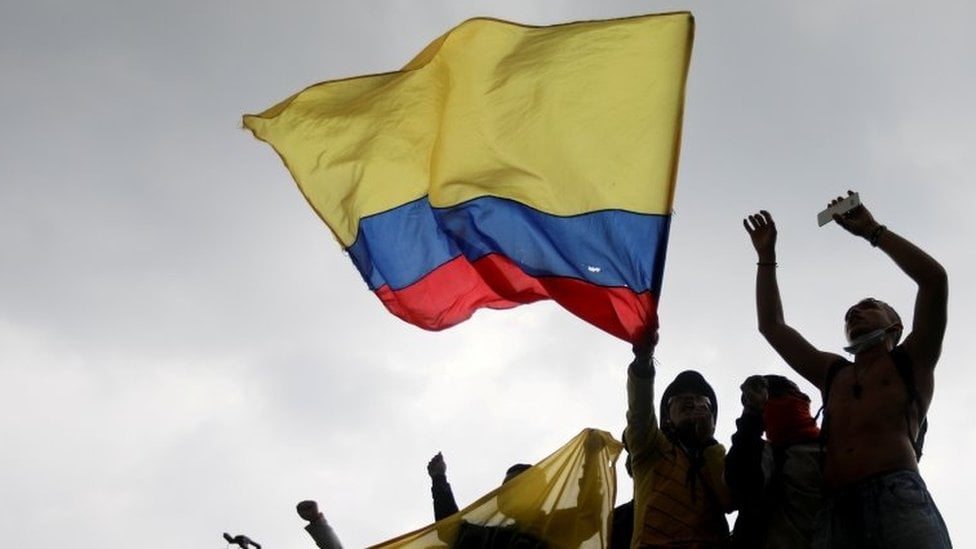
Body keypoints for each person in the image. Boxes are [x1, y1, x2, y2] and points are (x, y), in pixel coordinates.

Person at [743, 192, 951, 548]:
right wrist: (766, 259)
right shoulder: (834, 373)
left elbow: (934, 280)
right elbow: (772, 326)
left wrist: (873, 231)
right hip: (836, 511)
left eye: (869, 307)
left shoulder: (912, 360)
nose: (855, 313)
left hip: (898, 497)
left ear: (895, 325)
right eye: (849, 313)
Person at [625, 332, 734, 548]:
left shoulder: (715, 458)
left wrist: (708, 442)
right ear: (666, 417)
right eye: (680, 398)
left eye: (701, 399)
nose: (690, 399)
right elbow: (639, 411)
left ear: (712, 419)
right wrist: (643, 360)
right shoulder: (651, 447)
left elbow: (729, 499)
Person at [426, 436, 607, 547]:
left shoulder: (554, 526)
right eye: (504, 489)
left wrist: (591, 458)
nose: (505, 494)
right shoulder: (495, 537)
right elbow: (452, 531)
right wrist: (439, 479)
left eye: (515, 488)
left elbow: (589, 515)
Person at [725, 374, 823, 548]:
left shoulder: (838, 447)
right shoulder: (766, 454)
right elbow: (740, 479)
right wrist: (751, 414)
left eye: (780, 394)